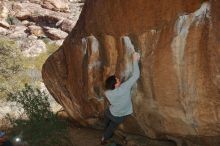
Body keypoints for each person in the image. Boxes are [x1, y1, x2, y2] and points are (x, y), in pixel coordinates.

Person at [101, 52, 140, 145]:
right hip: (119, 116)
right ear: (115, 85)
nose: (119, 79)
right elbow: (136, 76)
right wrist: (135, 60)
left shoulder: (107, 93)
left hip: (110, 112)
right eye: (117, 80)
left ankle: (103, 134)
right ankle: (104, 137)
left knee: (106, 119)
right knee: (112, 127)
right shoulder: (124, 88)